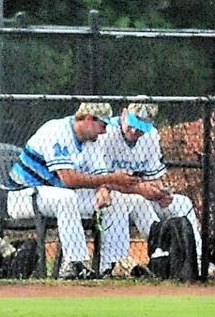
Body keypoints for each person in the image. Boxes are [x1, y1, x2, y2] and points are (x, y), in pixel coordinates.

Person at [6, 102, 137, 279]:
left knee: (117, 201)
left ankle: (112, 265)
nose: (105, 131)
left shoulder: (91, 141)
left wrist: (103, 189)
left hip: (54, 194)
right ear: (89, 119)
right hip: (22, 195)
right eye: (103, 125)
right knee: (66, 197)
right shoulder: (56, 130)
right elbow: (69, 180)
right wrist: (111, 179)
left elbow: (99, 174)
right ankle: (74, 263)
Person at [85, 102, 203, 273]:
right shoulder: (106, 134)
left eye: (140, 128)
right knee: (134, 200)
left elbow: (154, 177)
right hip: (110, 197)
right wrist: (140, 189)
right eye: (132, 125)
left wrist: (161, 192)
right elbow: (99, 180)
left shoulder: (151, 136)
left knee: (182, 203)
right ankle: (120, 263)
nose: (134, 132)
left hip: (141, 196)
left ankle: (194, 261)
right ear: (124, 114)